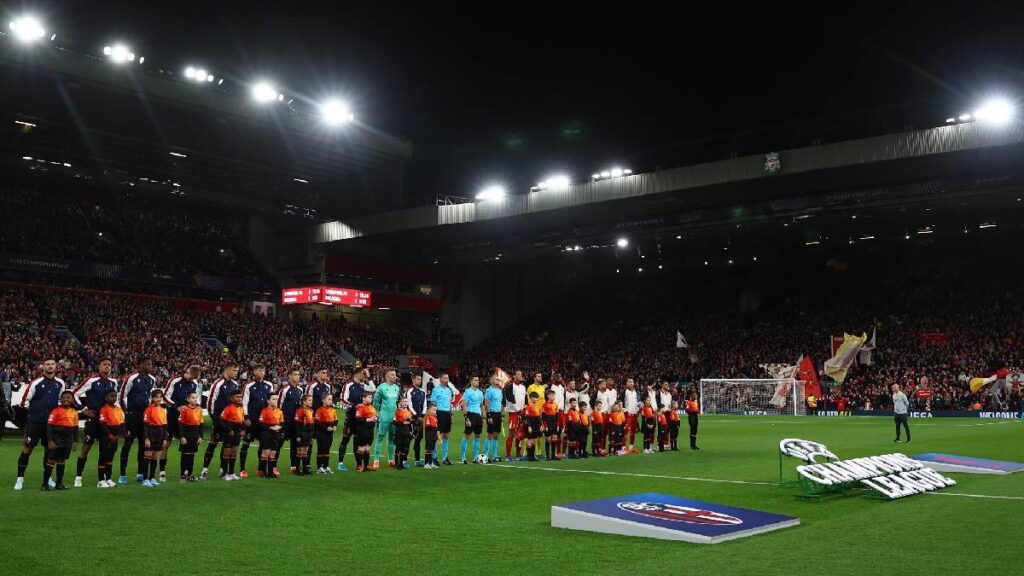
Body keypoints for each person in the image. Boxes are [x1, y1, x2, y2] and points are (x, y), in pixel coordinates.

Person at [15, 358, 65, 491]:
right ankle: (20, 479)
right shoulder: (36, 382)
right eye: (47, 364)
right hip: (35, 423)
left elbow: (61, 401)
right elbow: (24, 401)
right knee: (27, 449)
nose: (50, 366)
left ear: (56, 367)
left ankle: (48, 479)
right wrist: (32, 415)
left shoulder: (60, 383)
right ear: (43, 367)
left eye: (52, 364)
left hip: (50, 425)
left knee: (49, 451)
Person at [71, 357, 118, 488]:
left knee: (106, 450)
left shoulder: (113, 382)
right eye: (104, 364)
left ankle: (105, 478)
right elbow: (74, 394)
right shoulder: (91, 381)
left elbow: (115, 401)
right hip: (93, 420)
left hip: (107, 422)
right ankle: (78, 477)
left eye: (109, 364)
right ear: (99, 366)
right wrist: (83, 409)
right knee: (85, 448)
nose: (107, 367)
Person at [118, 357, 156, 484]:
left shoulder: (152, 380)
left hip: (144, 417)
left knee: (143, 444)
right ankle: (122, 474)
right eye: (147, 364)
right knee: (127, 444)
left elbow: (150, 397)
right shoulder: (132, 378)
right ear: (139, 365)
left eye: (151, 364)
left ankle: (140, 473)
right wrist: (126, 412)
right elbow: (122, 395)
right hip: (132, 415)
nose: (150, 366)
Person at [161, 365, 200, 482]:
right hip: (172, 417)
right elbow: (165, 396)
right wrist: (175, 406)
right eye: (191, 377)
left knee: (186, 445)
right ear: (187, 372)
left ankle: (185, 473)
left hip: (186, 420)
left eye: (194, 378)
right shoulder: (174, 381)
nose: (192, 380)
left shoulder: (194, 383)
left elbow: (194, 397)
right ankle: (162, 471)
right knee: (166, 444)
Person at [201, 362, 240, 480]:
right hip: (219, 420)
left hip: (230, 421)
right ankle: (205, 470)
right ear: (227, 370)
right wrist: (215, 419)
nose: (236, 373)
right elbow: (210, 402)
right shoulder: (218, 384)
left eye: (237, 371)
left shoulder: (234, 384)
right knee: (213, 442)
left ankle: (223, 470)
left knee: (226, 445)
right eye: (234, 370)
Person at [240, 364, 273, 478]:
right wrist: (246, 417)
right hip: (252, 419)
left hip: (264, 420)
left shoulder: (269, 385)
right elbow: (244, 402)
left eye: (263, 370)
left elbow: (272, 401)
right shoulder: (248, 386)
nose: (262, 372)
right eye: (259, 370)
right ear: (254, 371)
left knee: (263, 444)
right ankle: (242, 469)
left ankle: (260, 469)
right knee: (246, 444)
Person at [42, 391, 78, 491]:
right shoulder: (56, 411)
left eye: (69, 397)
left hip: (68, 439)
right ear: (60, 399)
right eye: (64, 397)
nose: (66, 399)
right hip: (57, 437)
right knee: (51, 460)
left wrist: (75, 441)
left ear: (72, 400)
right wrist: (50, 440)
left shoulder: (74, 412)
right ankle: (45, 484)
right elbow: (49, 426)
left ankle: (59, 484)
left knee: (62, 460)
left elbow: (75, 428)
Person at [337, 368, 367, 471]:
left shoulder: (362, 386)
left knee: (358, 441)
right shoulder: (348, 385)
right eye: (364, 374)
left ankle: (358, 464)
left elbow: (372, 391)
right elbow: (342, 400)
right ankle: (340, 463)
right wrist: (355, 406)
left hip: (360, 419)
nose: (365, 376)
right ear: (358, 374)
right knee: (345, 439)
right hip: (350, 417)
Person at [372, 369, 401, 469]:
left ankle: (391, 460)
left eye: (395, 375)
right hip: (384, 417)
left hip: (394, 418)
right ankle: (376, 460)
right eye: (393, 375)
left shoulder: (397, 388)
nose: (395, 376)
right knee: (380, 438)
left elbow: (396, 402)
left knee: (392, 439)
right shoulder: (381, 387)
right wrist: (377, 413)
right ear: (387, 377)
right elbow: (375, 402)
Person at [278, 369, 305, 475]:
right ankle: (273, 465)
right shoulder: (284, 390)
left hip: (296, 422)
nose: (297, 377)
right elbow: (278, 406)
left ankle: (294, 466)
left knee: (295, 444)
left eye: (299, 375)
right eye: (295, 374)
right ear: (289, 376)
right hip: (285, 421)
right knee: (279, 443)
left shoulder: (300, 390)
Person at [96, 390, 124, 488]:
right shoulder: (103, 409)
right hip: (106, 436)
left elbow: (121, 423)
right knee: (103, 457)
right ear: (106, 398)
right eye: (111, 396)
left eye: (115, 396)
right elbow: (102, 424)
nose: (114, 398)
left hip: (115, 436)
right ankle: (100, 480)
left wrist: (118, 435)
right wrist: (110, 435)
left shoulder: (118, 409)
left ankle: (108, 478)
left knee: (110, 458)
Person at [141, 389, 168, 487]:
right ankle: (145, 479)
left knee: (155, 458)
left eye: (160, 397)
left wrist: (165, 438)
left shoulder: (163, 410)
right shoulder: (148, 409)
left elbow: (165, 425)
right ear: (152, 398)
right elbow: (145, 425)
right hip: (151, 433)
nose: (158, 399)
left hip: (159, 435)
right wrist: (146, 438)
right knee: (147, 457)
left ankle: (152, 478)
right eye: (156, 397)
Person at [219, 390, 246, 481]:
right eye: (237, 397)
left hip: (237, 431)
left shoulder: (241, 408)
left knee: (234, 452)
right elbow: (221, 421)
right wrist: (229, 430)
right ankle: (224, 473)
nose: (239, 399)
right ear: (231, 398)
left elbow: (242, 421)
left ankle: (231, 473)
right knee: (227, 452)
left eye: (240, 397)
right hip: (229, 431)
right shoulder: (228, 408)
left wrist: (243, 430)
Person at [429, 372, 454, 465]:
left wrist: (451, 414)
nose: (447, 380)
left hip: (447, 413)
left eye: (447, 378)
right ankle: (434, 457)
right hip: (439, 413)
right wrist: (434, 415)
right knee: (437, 435)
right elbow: (433, 403)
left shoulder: (449, 390)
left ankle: (445, 458)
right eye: (445, 378)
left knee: (446, 435)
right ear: (440, 379)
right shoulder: (436, 390)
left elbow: (449, 403)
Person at [178, 391, 204, 482]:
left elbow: (201, 424)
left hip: (195, 435)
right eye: (193, 398)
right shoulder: (184, 409)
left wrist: (200, 436)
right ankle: (183, 475)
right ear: (188, 399)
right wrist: (181, 437)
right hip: (186, 434)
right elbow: (180, 424)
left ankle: (190, 474)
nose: (195, 399)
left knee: (192, 455)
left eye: (196, 398)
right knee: (185, 455)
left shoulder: (199, 409)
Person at [257, 393, 284, 479]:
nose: (276, 401)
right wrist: (271, 427)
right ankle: (263, 472)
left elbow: (282, 422)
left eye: (277, 399)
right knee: (265, 452)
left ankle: (271, 472)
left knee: (273, 453)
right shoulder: (264, 411)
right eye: (273, 399)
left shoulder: (279, 411)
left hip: (276, 433)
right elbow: (260, 424)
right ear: (268, 400)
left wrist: (280, 427)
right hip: (266, 433)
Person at [460, 376, 484, 464]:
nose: (478, 381)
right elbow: (464, 405)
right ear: (471, 381)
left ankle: (476, 457)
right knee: (467, 435)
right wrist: (466, 418)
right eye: (476, 380)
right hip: (470, 414)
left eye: (478, 380)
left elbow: (481, 406)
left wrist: (483, 417)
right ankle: (463, 457)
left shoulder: (481, 393)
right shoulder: (468, 391)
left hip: (478, 415)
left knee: (478, 436)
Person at [504, 370, 527, 461]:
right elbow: (509, 401)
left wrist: (524, 410)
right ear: (514, 376)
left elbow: (524, 400)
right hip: (513, 413)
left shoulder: (523, 387)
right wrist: (518, 410)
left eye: (521, 374)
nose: (521, 376)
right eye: (519, 374)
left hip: (522, 413)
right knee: (512, 433)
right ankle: (508, 456)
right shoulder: (510, 387)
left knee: (520, 434)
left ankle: (518, 455)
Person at [405, 373, 427, 466]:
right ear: (413, 380)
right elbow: (409, 405)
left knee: (418, 440)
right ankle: (404, 460)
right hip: (412, 420)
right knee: (408, 439)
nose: (420, 381)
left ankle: (417, 460)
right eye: (418, 379)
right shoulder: (409, 392)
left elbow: (425, 404)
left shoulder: (423, 392)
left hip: (420, 419)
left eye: (421, 379)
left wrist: (422, 415)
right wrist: (416, 416)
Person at [314, 394, 338, 474]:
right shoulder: (319, 410)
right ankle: (319, 467)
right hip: (321, 432)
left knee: (327, 449)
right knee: (321, 449)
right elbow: (317, 422)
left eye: (331, 399)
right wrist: (326, 428)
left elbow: (336, 420)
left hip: (330, 432)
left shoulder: (333, 410)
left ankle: (326, 465)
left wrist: (334, 426)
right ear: (323, 400)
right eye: (329, 399)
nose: (331, 401)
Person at [354, 392, 377, 472]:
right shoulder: (360, 407)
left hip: (371, 430)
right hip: (363, 430)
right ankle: (359, 466)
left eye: (371, 397)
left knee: (367, 448)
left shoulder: (371, 407)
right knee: (361, 448)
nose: (371, 399)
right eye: (369, 397)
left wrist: (375, 418)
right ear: (363, 398)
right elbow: (358, 418)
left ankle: (366, 465)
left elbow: (374, 415)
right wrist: (369, 419)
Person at [483, 375, 504, 462]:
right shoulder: (489, 390)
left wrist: (502, 415)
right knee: (490, 434)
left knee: (496, 435)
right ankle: (486, 455)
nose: (497, 380)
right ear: (491, 380)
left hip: (498, 414)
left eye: (498, 379)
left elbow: (501, 403)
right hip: (492, 413)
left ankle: (495, 455)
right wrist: (489, 416)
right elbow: (486, 403)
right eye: (496, 379)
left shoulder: (500, 390)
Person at [293, 394, 315, 475]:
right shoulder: (300, 410)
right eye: (309, 400)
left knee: (306, 451)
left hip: (309, 433)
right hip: (302, 432)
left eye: (311, 400)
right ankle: (298, 470)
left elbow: (312, 424)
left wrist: (312, 435)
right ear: (304, 401)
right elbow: (297, 424)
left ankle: (305, 469)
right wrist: (298, 435)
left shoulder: (311, 410)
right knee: (300, 451)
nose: (311, 402)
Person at [392, 398, 414, 469]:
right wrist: (402, 423)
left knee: (404, 448)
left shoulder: (409, 412)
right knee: (398, 447)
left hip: (406, 433)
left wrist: (411, 421)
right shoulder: (398, 411)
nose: (405, 403)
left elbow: (410, 422)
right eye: (404, 401)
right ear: (400, 403)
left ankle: (401, 463)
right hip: (399, 432)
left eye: (406, 401)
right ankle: (396, 463)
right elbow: (394, 422)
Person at [541, 390, 560, 461]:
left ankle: (553, 455)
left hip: (554, 423)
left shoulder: (555, 404)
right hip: (548, 423)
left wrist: (557, 425)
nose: (553, 397)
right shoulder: (545, 405)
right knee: (548, 439)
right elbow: (543, 417)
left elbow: (557, 416)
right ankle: (547, 456)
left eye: (554, 395)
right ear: (548, 396)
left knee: (554, 438)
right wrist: (545, 426)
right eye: (551, 395)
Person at [523, 391, 542, 461]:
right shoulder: (528, 407)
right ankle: (529, 457)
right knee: (530, 440)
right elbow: (527, 417)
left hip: (536, 425)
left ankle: (532, 456)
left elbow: (538, 418)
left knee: (534, 440)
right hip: (531, 425)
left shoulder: (536, 407)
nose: (536, 399)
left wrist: (540, 425)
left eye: (537, 398)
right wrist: (529, 426)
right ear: (530, 398)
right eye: (535, 398)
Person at [623, 378, 639, 453]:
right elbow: (620, 403)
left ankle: (631, 447)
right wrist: (625, 411)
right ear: (627, 384)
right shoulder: (624, 392)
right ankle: (623, 448)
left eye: (632, 382)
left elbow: (636, 403)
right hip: (627, 415)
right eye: (629, 382)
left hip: (634, 414)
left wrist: (637, 410)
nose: (631, 383)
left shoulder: (635, 392)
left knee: (633, 431)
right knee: (625, 431)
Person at [422, 404, 439, 469]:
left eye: (435, 410)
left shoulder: (434, 417)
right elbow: (428, 426)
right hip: (429, 435)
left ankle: (431, 463)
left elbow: (435, 425)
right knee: (428, 449)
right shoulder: (428, 417)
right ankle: (426, 464)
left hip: (433, 435)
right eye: (433, 409)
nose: (435, 411)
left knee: (431, 449)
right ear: (429, 410)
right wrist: (436, 428)